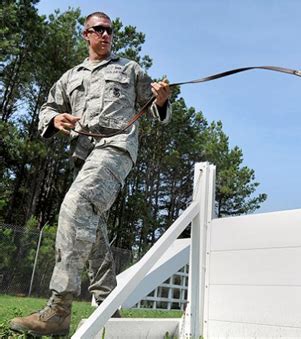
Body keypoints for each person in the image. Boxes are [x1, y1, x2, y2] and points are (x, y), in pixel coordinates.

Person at [10, 11, 171, 337]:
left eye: (110, 30)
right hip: (82, 156)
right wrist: (55, 120)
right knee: (92, 228)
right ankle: (110, 305)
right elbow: (48, 107)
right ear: (86, 34)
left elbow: (155, 105)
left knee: (76, 204)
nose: (106, 34)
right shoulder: (70, 77)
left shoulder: (129, 69)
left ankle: (58, 308)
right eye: (99, 29)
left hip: (116, 149)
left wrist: (162, 99)